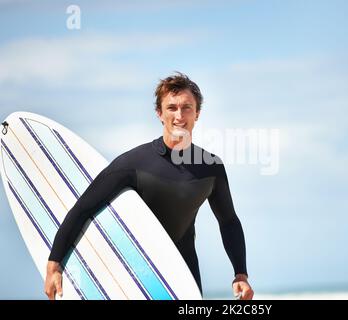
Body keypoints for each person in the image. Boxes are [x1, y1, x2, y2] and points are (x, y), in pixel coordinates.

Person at [44, 72, 254, 300]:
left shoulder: (211, 168)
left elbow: (229, 221)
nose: (179, 115)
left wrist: (240, 274)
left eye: (187, 108)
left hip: (184, 276)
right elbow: (83, 209)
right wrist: (54, 265)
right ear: (159, 113)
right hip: (134, 276)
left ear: (197, 114)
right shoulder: (132, 164)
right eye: (172, 107)